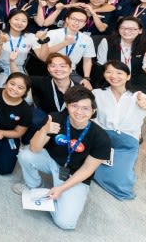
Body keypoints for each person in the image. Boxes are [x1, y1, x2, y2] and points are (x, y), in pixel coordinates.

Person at [14, 86, 112, 230]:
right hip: (52, 161)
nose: (79, 112)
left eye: (85, 108)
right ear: (67, 106)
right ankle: (35, 188)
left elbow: (87, 169)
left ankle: (56, 196)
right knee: (25, 154)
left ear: (93, 111)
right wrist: (44, 131)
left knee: (65, 223)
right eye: (74, 106)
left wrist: (62, 188)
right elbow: (34, 148)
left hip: (74, 174)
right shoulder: (55, 118)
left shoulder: (101, 138)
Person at [92, 61, 146, 200]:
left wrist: (145, 103)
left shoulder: (137, 95)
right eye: (109, 72)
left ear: (128, 76)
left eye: (119, 73)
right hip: (103, 139)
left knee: (122, 184)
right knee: (87, 169)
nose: (113, 76)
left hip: (126, 143)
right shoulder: (97, 93)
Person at [0, 73, 32, 175]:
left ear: (25, 92)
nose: (14, 89)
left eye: (20, 87)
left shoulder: (26, 110)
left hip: (7, 135)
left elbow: (18, 132)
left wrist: (1, 133)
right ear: (5, 83)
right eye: (12, 84)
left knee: (5, 169)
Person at [96, 16, 146, 96]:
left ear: (140, 31)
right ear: (118, 29)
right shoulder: (107, 42)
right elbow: (101, 66)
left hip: (135, 79)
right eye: (123, 28)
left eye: (132, 29)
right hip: (112, 78)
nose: (126, 31)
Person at [0, 10, 43, 86]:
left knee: (26, 94)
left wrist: (44, 42)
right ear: (10, 20)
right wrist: (0, 41)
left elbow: (42, 57)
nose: (19, 23)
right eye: (16, 19)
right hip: (1, 69)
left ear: (27, 23)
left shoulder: (31, 37)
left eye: (24, 21)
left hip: (19, 69)